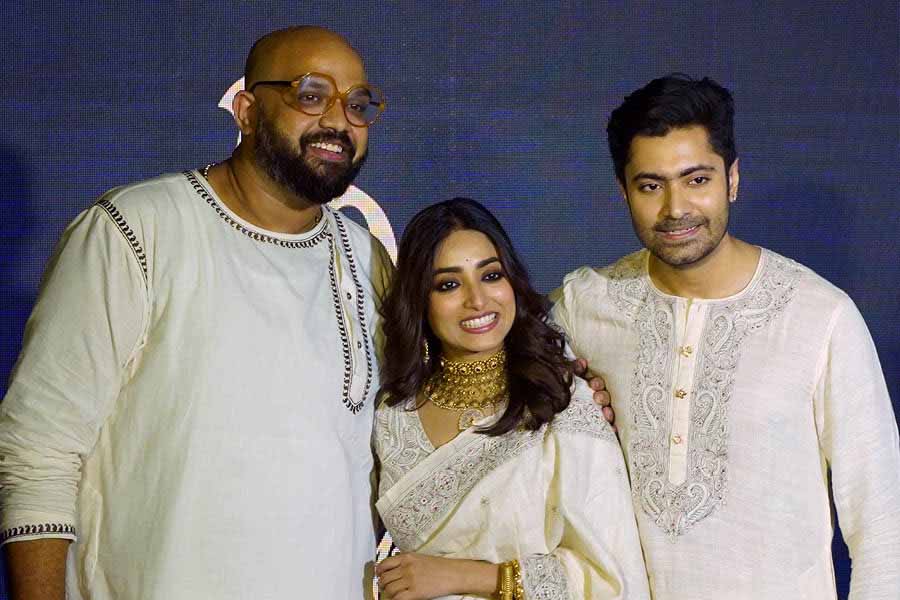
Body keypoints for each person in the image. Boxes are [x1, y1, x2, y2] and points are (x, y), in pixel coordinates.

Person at [0, 26, 393, 599]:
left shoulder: (367, 261)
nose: (338, 120)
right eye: (311, 94)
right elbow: (37, 451)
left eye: (358, 104)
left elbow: (419, 425)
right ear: (247, 111)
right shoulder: (135, 230)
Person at [550, 74, 900, 599]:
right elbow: (501, 391)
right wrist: (565, 393)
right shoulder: (587, 303)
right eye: (651, 185)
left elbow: (881, 518)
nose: (675, 209)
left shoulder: (819, 315)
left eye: (697, 180)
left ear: (732, 179)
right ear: (622, 190)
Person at [373, 198, 650, 600]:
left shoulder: (562, 400)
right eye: (449, 284)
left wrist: (460, 577)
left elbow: (609, 576)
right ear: (420, 301)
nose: (477, 300)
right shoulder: (394, 415)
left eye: (491, 276)